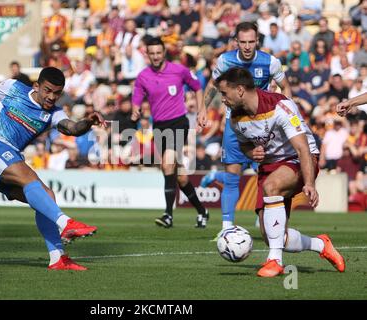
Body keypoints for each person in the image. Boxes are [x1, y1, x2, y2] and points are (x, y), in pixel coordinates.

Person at [0, 67, 106, 271]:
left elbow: (73, 128)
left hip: (3, 159)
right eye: (47, 90)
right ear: (36, 86)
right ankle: (66, 223)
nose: (51, 97)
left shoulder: (54, 114)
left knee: (46, 196)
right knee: (29, 177)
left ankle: (57, 258)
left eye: (57, 93)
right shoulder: (13, 88)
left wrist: (87, 122)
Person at [215, 67, 345, 277]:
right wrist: (252, 152)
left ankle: (274, 261)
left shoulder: (280, 106)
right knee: (273, 235)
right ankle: (321, 245)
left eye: (224, 93)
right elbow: (244, 145)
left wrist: (309, 183)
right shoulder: (235, 119)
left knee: (271, 186)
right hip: (269, 166)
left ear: (239, 90)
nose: (222, 99)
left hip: (301, 159)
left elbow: (303, 147)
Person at [200, 22, 291, 232]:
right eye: (243, 42)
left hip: (264, 125)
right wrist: (203, 109)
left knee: (266, 172)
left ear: (257, 41)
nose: (248, 46)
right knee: (232, 175)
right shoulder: (226, 60)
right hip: (235, 124)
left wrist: (286, 113)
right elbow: (213, 85)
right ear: (236, 42)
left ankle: (264, 218)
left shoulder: (270, 62)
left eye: (251, 41)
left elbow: (285, 87)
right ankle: (226, 228)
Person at [131, 37, 209, 228]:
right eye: (152, 53)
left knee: (167, 165)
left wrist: (202, 111)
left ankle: (168, 215)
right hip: (159, 126)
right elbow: (137, 95)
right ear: (147, 55)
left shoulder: (179, 70)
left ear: (164, 52)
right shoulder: (143, 76)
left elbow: (198, 88)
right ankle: (202, 211)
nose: (156, 56)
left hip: (178, 123)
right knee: (180, 176)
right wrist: (135, 107)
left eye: (159, 52)